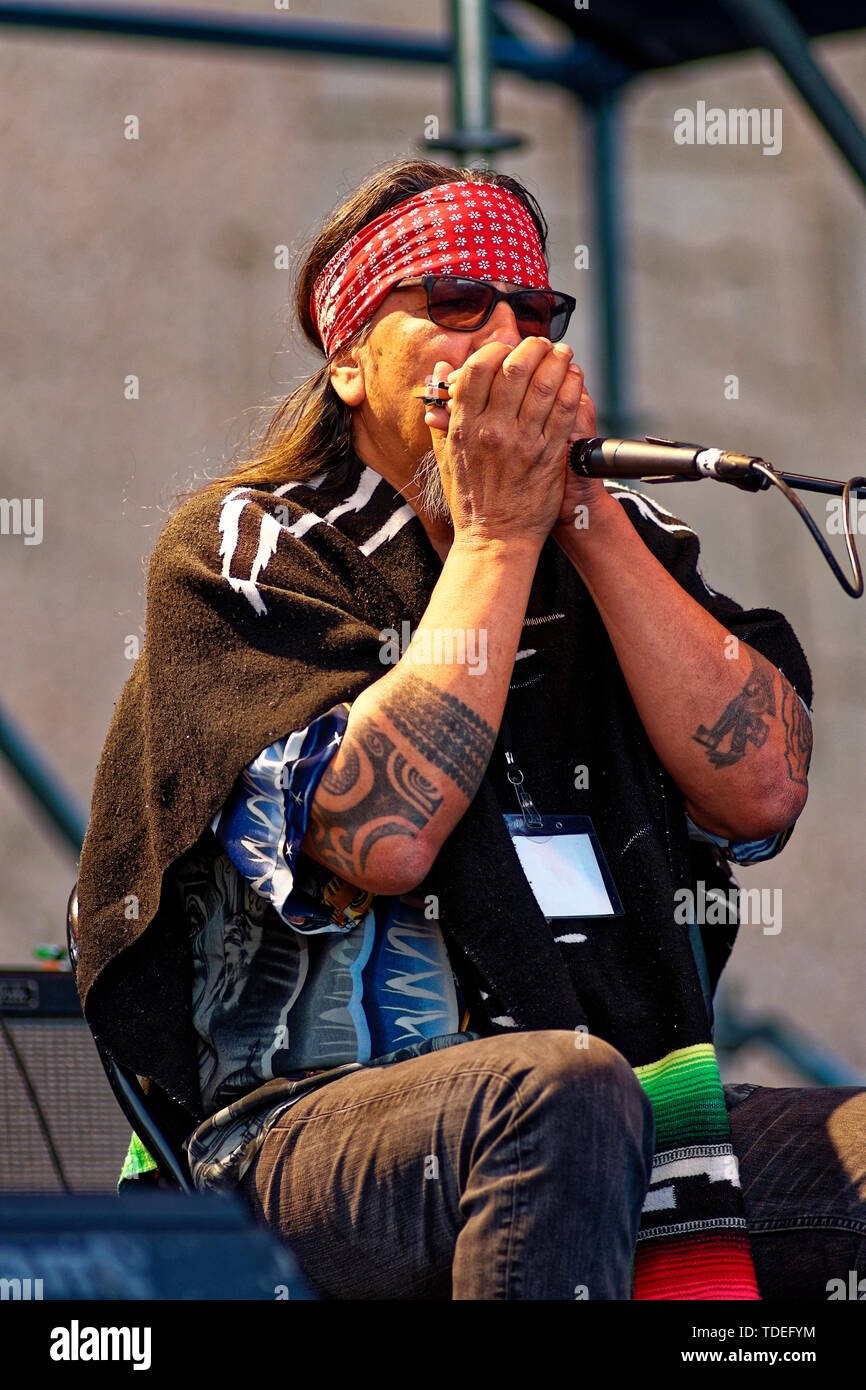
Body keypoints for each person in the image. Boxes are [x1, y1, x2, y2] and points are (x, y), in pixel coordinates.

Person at [75, 158, 866, 1301]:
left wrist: (582, 513)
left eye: (534, 313)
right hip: (296, 1137)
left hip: (630, 1102)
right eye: (454, 305)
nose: (507, 340)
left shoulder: (621, 539)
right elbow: (377, 839)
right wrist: (495, 535)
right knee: (556, 1096)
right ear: (347, 357)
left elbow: (759, 791)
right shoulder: (251, 546)